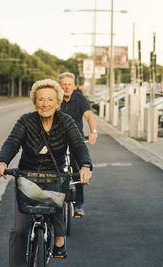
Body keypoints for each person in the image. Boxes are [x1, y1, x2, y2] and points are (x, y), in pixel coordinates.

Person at [0, 79, 92, 266]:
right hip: (28, 176)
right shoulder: (26, 121)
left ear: (57, 102)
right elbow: (12, 142)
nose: (45, 104)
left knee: (55, 200)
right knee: (19, 230)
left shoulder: (66, 121)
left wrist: (85, 166)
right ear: (34, 102)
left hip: (54, 174)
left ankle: (59, 236)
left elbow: (78, 145)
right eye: (40, 99)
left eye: (49, 100)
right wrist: (2, 162)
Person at [59, 72, 98, 217]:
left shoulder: (80, 98)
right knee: (54, 169)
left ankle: (78, 206)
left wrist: (93, 131)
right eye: (64, 84)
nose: (67, 87)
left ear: (74, 85)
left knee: (79, 172)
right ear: (60, 86)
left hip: (76, 139)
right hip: (59, 139)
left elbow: (88, 115)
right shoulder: (56, 98)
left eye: (69, 84)